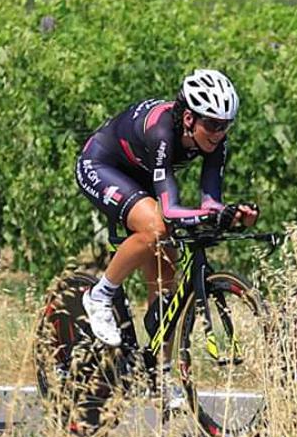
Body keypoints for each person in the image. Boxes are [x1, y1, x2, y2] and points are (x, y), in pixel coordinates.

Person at [75, 69, 258, 349]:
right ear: (189, 118)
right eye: (212, 124)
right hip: (101, 165)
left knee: (166, 283)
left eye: (225, 125)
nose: (219, 133)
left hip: (141, 177)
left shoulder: (215, 141)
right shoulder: (161, 131)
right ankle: (99, 295)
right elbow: (170, 210)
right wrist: (209, 215)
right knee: (156, 228)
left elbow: (211, 201)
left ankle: (161, 380)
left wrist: (232, 215)